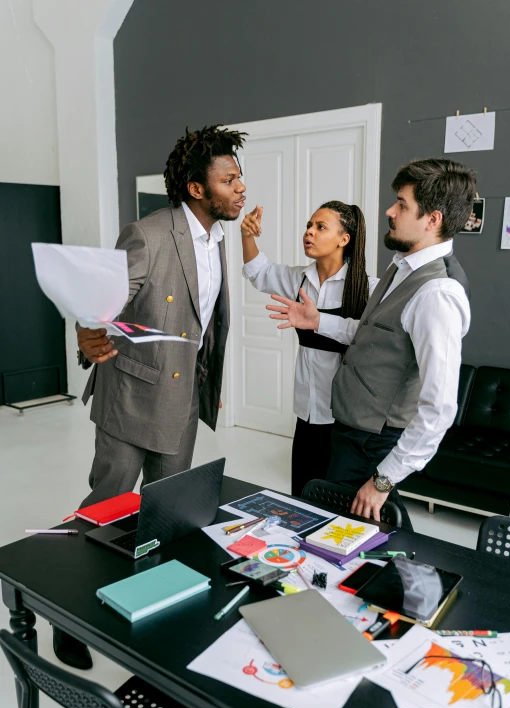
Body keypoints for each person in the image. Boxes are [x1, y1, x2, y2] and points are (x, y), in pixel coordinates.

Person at [54, 125, 247, 669]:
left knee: (165, 518)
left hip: (183, 404)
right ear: (195, 188)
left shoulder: (217, 239)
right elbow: (102, 300)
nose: (240, 187)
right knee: (105, 511)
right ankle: (67, 618)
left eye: (239, 177)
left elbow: (206, 321)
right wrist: (87, 333)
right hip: (133, 397)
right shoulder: (148, 233)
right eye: (229, 179)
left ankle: (146, 611)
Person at [268, 158, 474, 531]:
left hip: (373, 447)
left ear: (433, 219)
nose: (390, 211)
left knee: (361, 541)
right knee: (341, 537)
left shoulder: (437, 293)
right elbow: (373, 336)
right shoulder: (400, 268)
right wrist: (318, 321)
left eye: (402, 204)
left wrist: (383, 480)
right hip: (350, 434)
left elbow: (439, 408)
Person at [241, 201, 378, 497]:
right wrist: (247, 236)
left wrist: (319, 321)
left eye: (320, 227)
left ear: (344, 239)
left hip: (346, 420)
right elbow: (258, 272)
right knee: (303, 498)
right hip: (307, 412)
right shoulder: (298, 279)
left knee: (339, 505)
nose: (309, 233)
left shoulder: (369, 287)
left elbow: (371, 340)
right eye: (308, 226)